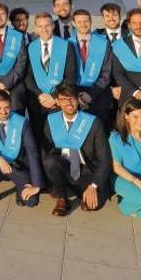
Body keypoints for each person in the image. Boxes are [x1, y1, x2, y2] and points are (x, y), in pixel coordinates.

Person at [41, 84, 111, 216]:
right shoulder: (51, 120)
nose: (68, 103)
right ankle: (62, 197)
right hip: (65, 168)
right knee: (49, 161)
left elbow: (105, 160)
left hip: (87, 170)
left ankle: (83, 190)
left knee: (92, 205)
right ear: (57, 102)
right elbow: (45, 152)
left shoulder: (93, 123)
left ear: (78, 100)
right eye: (63, 99)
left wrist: (93, 185)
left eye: (72, 98)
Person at [0, 89, 43, 207]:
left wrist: (36, 184)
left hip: (17, 166)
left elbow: (33, 153)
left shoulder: (22, 122)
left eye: (7, 107)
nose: (3, 112)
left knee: (31, 202)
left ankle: (19, 186)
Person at [25, 12, 76, 138]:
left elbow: (70, 75)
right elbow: (27, 77)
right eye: (40, 26)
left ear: (53, 26)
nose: (44, 29)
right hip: (38, 101)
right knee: (39, 137)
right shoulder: (30, 48)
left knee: (59, 136)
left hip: (59, 101)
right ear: (36, 28)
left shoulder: (66, 46)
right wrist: (40, 95)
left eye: (47, 25)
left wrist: (55, 96)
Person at [69, 10, 113, 127]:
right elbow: (66, 73)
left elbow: (107, 73)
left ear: (91, 21)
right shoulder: (67, 44)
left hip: (99, 94)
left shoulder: (103, 43)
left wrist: (91, 94)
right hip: (75, 96)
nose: (83, 25)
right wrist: (77, 95)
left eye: (86, 21)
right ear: (73, 23)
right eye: (79, 22)